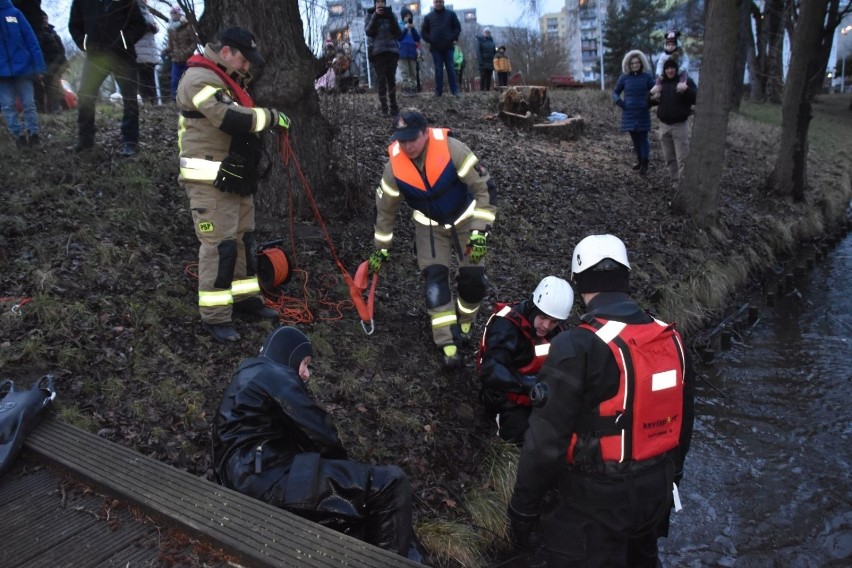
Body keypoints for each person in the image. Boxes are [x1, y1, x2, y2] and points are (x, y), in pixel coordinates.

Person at [507, 234, 694, 567]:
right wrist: (671, 480)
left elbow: (545, 442)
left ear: (579, 283)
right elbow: (685, 421)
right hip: (657, 491)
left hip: (595, 503)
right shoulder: (671, 337)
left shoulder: (578, 345)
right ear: (625, 277)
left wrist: (523, 510)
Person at [213, 326, 422, 561]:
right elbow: (317, 430)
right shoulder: (271, 373)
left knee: (360, 512)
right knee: (389, 483)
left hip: (254, 477)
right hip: (265, 480)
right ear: (288, 356)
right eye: (305, 363)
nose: (306, 374)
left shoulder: (247, 379)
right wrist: (346, 468)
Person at [176, 27, 290, 343]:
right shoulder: (198, 79)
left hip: (233, 176)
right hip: (208, 180)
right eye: (243, 59)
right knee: (220, 247)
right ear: (225, 52)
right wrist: (271, 117)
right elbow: (230, 118)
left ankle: (246, 300)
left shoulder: (225, 79)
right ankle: (215, 316)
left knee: (244, 241)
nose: (246, 67)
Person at [369, 108, 497, 368]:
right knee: (435, 281)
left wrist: (480, 230)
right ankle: (447, 343)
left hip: (466, 220)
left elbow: (485, 188)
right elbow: (385, 213)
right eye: (402, 140)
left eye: (412, 139)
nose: (407, 146)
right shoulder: (394, 168)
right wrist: (380, 249)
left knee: (473, 281)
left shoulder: (453, 149)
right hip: (429, 226)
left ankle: (466, 322)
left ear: (425, 133)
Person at [477, 276, 573, 444]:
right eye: (543, 317)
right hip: (506, 399)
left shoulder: (557, 331)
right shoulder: (506, 326)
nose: (546, 326)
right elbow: (490, 370)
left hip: (539, 396)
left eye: (554, 321)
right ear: (533, 306)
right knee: (527, 440)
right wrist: (526, 385)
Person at [69, 0, 147, 156]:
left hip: (123, 56)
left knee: (129, 98)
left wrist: (124, 41)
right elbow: (74, 25)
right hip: (95, 56)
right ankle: (85, 141)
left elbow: (140, 24)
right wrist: (86, 45)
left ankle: (130, 142)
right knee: (85, 95)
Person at [0, 0, 45, 149]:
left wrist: (38, 67)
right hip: (1, 73)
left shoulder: (15, 13)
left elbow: (31, 40)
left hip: (23, 68)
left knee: (29, 103)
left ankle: (34, 134)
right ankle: (18, 137)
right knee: (8, 106)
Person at [652, 58, 697, 185]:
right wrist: (651, 94)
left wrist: (686, 90)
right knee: (669, 158)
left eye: (672, 68)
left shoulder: (686, 81)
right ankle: (675, 183)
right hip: (664, 127)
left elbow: (696, 98)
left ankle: (684, 185)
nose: (670, 70)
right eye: (667, 68)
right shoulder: (661, 84)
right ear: (664, 70)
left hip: (680, 126)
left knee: (682, 158)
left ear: (677, 69)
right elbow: (649, 101)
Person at [612, 50, 655, 174]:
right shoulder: (624, 77)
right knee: (635, 139)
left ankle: (645, 162)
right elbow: (615, 92)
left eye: (637, 63)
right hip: (629, 113)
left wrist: (649, 103)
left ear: (641, 63)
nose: (635, 65)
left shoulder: (647, 77)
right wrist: (621, 104)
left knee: (643, 138)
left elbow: (655, 91)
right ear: (628, 64)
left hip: (642, 112)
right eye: (632, 63)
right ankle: (640, 160)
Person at [365, 0, 401, 117]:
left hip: (392, 51)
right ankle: (384, 108)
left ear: (385, 3)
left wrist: (391, 17)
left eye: (382, 2)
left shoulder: (391, 14)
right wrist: (375, 15)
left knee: (391, 80)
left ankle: (394, 107)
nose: (380, 4)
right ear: (375, 4)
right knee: (381, 81)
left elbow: (398, 32)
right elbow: (368, 32)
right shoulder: (370, 15)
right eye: (378, 2)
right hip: (378, 52)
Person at [420, 0, 461, 97]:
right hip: (435, 47)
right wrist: (430, 39)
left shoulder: (451, 14)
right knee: (438, 69)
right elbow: (423, 31)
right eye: (436, 2)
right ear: (433, 3)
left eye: (440, 2)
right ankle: (438, 91)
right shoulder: (428, 16)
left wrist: (451, 37)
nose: (438, 4)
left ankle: (455, 90)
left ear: (443, 2)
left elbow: (457, 28)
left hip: (448, 46)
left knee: (450, 68)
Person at [164, 4, 197, 102]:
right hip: (176, 59)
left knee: (190, 80)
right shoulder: (170, 28)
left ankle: (192, 99)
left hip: (188, 59)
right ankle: (174, 100)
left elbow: (194, 42)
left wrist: (187, 52)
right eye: (171, 13)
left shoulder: (188, 26)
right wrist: (166, 50)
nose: (173, 15)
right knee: (175, 81)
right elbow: (171, 45)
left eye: (175, 12)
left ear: (179, 13)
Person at [35, 10, 66, 113]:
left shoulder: (52, 31)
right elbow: (40, 49)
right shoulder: (39, 32)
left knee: (56, 89)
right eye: (43, 18)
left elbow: (60, 48)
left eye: (46, 18)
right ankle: (52, 111)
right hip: (47, 65)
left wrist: (65, 62)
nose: (45, 20)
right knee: (51, 88)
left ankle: (55, 110)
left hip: (57, 64)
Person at [135, 0, 160, 106]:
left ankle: (154, 101)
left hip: (150, 50)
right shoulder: (134, 11)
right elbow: (136, 27)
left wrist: (153, 27)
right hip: (140, 50)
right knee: (143, 79)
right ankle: (146, 101)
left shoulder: (147, 12)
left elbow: (156, 27)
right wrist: (146, 27)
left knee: (150, 78)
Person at [650, 30, 689, 97]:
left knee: (684, 74)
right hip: (666, 72)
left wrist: (682, 68)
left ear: (676, 45)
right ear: (666, 45)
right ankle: (657, 90)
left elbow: (686, 60)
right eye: (669, 45)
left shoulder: (681, 53)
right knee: (658, 79)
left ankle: (681, 87)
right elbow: (660, 64)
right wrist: (659, 73)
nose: (671, 46)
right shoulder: (663, 55)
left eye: (673, 45)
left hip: (679, 70)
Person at [397, 7, 420, 96]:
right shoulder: (399, 26)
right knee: (404, 72)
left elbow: (417, 38)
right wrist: (406, 28)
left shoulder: (412, 27)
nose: (408, 17)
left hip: (412, 52)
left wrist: (413, 29)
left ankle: (413, 88)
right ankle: (406, 88)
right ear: (403, 17)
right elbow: (399, 37)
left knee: (413, 72)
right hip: (402, 52)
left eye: (410, 16)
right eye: (406, 16)